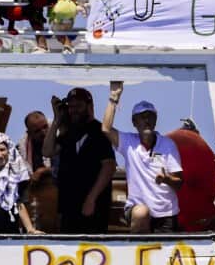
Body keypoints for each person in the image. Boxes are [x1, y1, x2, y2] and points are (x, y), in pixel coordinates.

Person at [102, 82, 184, 233]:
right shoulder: (128, 143)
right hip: (137, 210)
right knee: (141, 213)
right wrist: (114, 97)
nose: (146, 121)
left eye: (150, 117)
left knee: (165, 256)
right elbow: (106, 129)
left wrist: (167, 179)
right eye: (141, 117)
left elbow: (179, 183)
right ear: (134, 122)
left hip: (166, 214)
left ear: (155, 120)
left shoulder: (168, 145)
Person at [45, 88, 116, 234]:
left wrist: (91, 198)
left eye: (78, 106)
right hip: (69, 206)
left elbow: (108, 166)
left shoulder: (99, 131)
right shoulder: (68, 133)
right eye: (71, 107)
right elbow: (47, 151)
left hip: (93, 206)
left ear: (89, 106)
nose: (74, 110)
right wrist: (57, 120)